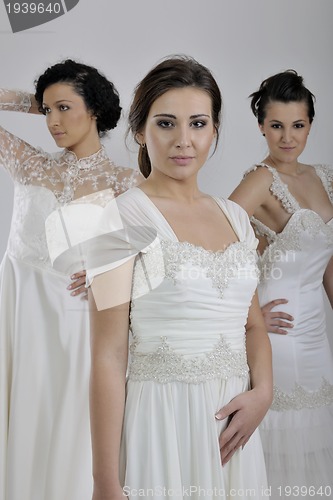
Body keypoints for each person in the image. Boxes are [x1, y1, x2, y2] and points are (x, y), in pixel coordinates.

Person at [87, 55, 273, 500]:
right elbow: (108, 356)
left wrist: (263, 392)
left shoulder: (235, 217)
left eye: (198, 123)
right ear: (140, 131)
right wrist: (105, 483)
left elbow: (253, 325)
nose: (184, 141)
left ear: (214, 131)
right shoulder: (119, 218)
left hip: (234, 427)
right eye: (167, 123)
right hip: (163, 423)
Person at [0, 59, 142, 500]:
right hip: (19, 315)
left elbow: (157, 261)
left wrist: (115, 276)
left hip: (75, 323)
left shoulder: (126, 182)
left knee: (70, 436)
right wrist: (35, 100)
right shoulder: (30, 164)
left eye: (64, 108)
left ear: (94, 109)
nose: (53, 122)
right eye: (46, 112)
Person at [229, 70, 333, 499]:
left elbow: (327, 264)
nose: (287, 138)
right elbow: (215, 242)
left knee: (316, 441)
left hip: (317, 333)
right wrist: (250, 316)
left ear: (310, 124)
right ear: (261, 127)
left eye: (298, 125)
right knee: (283, 445)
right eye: (276, 126)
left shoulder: (324, 176)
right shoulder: (260, 180)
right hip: (282, 334)